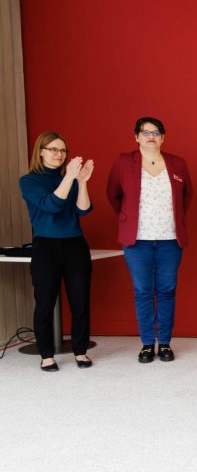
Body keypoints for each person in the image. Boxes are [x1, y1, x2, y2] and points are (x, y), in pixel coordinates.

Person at [106, 117, 193, 363]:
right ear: (136, 137)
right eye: (145, 132)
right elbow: (113, 194)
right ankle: (146, 344)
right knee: (143, 291)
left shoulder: (177, 163)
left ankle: (164, 343)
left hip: (170, 239)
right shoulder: (124, 162)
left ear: (163, 137)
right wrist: (128, 218)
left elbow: (186, 196)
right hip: (137, 240)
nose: (150, 136)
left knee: (167, 291)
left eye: (156, 132)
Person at [19, 132, 94, 371]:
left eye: (62, 150)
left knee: (80, 300)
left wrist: (81, 182)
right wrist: (69, 177)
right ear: (40, 151)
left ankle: (80, 351)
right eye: (52, 149)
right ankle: (46, 355)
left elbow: (83, 210)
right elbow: (52, 205)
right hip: (46, 247)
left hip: (75, 245)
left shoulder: (70, 179)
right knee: (45, 302)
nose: (58, 155)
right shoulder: (29, 181)